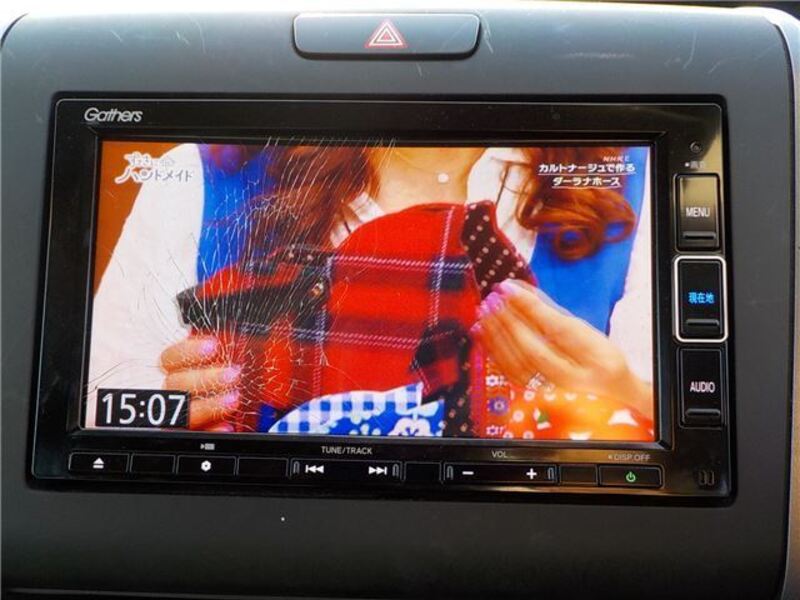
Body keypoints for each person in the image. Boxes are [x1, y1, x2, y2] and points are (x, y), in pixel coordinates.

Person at [89, 142, 653, 440]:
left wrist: (626, 399)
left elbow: (691, 444)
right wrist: (164, 418)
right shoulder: (200, 175)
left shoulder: (638, 176)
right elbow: (93, 418)